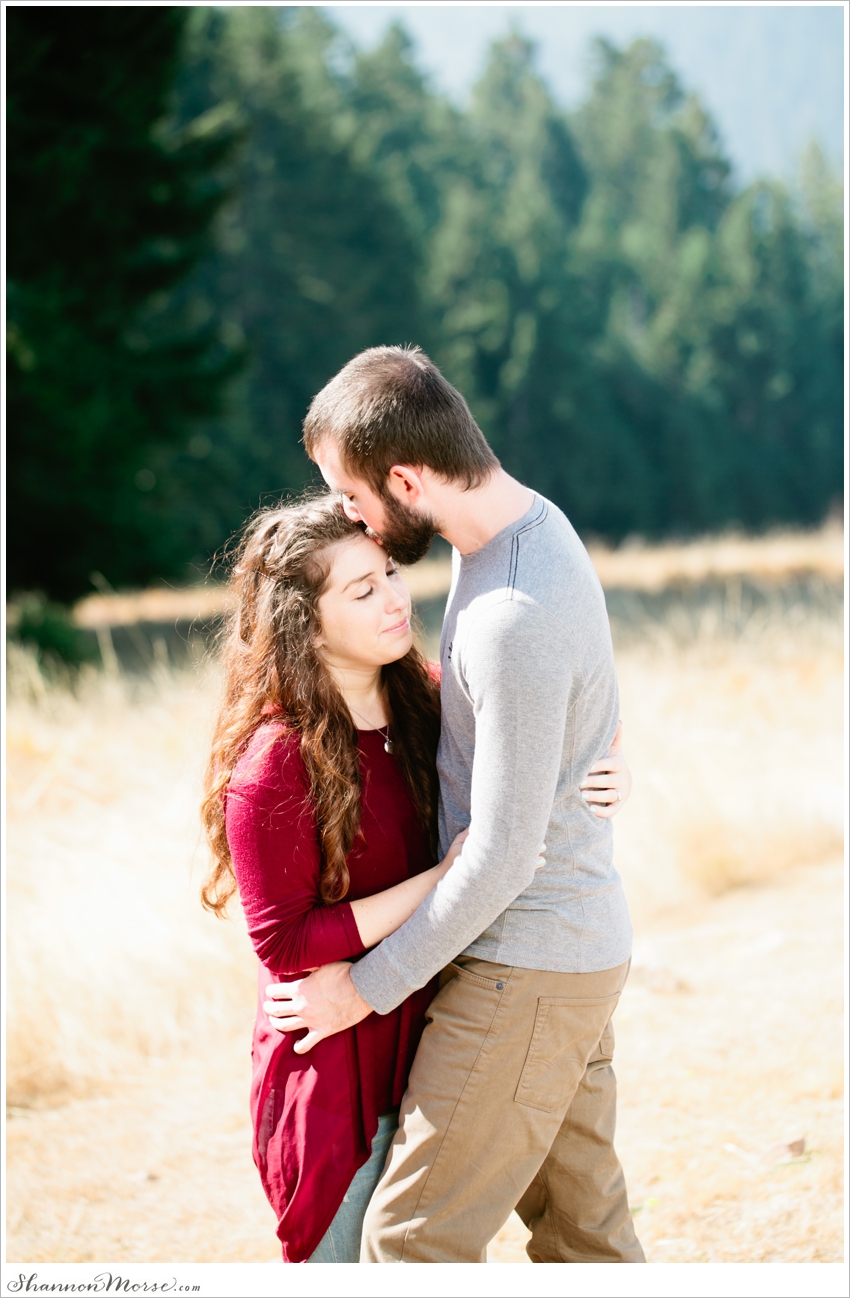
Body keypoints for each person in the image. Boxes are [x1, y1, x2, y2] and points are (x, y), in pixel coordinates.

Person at [264, 344, 647, 1263]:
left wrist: (362, 990)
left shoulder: (507, 606)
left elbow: (504, 856)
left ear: (405, 478)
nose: (350, 515)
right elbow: (573, 687)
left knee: (412, 1243)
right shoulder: (533, 531)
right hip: (571, 951)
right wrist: (600, 746)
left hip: (527, 963)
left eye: (352, 496)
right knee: (584, 1237)